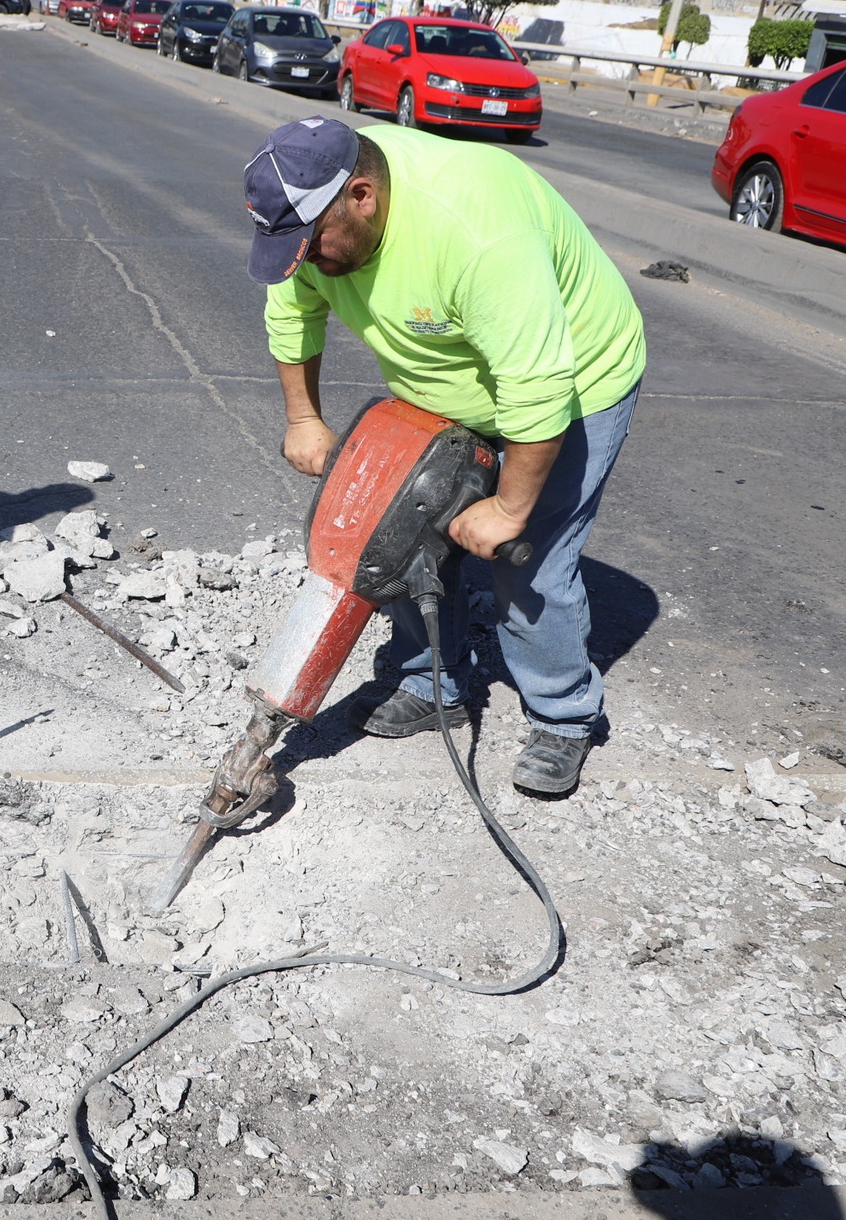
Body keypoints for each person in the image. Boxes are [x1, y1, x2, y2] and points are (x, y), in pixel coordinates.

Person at [245, 117, 646, 795]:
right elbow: (291, 311)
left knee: (531, 566)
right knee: (397, 532)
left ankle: (564, 714)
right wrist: (303, 416)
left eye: (313, 244)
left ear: (363, 196)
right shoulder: (309, 227)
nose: (305, 261)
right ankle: (433, 684)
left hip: (574, 382)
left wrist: (510, 507)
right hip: (451, 382)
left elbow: (537, 385)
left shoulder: (474, 230)